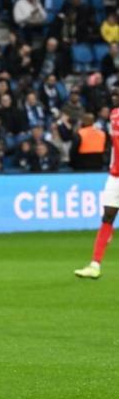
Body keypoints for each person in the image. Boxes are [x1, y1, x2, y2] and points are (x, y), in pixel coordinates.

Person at [75, 90, 119, 279]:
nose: (114, 97)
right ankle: (95, 264)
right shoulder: (114, 115)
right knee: (108, 215)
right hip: (115, 175)